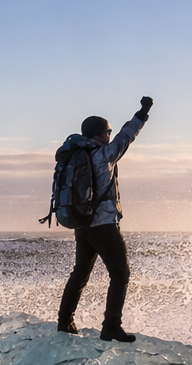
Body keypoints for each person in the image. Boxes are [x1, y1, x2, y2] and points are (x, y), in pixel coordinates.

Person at [56, 96, 153, 342]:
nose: (110, 135)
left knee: (80, 274)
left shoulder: (76, 155)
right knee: (120, 273)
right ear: (101, 134)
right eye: (108, 131)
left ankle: (64, 322)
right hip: (103, 225)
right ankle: (111, 326)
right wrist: (142, 113)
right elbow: (127, 136)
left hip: (82, 225)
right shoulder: (103, 155)